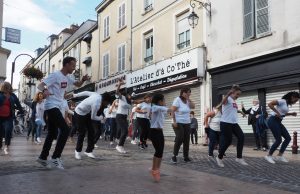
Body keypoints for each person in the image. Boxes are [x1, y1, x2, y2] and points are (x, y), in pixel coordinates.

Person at [36, 56, 89, 169]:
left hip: (58, 106)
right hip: (51, 106)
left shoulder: (68, 77)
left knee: (52, 134)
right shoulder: (55, 75)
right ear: (67, 65)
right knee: (65, 130)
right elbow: (40, 85)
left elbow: (78, 84)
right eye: (73, 66)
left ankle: (42, 158)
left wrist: (83, 80)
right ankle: (55, 158)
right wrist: (45, 90)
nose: (74, 68)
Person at [216, 85, 248, 168]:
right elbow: (223, 102)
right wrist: (228, 94)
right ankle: (219, 157)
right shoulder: (228, 98)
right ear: (232, 93)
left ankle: (239, 157)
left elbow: (232, 109)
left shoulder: (233, 101)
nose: (238, 96)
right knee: (228, 141)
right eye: (237, 94)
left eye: (239, 95)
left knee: (241, 137)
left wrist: (241, 111)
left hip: (233, 123)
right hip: (225, 123)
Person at [73, 91, 111, 160]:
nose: (107, 105)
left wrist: (76, 95)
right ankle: (77, 151)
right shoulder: (96, 104)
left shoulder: (97, 94)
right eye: (107, 103)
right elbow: (93, 117)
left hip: (87, 113)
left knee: (91, 131)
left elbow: (86, 92)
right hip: (79, 113)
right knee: (82, 132)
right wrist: (102, 118)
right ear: (105, 101)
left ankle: (89, 151)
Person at [264, 91, 299, 164]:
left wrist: (291, 114)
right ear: (292, 97)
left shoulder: (286, 104)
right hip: (273, 120)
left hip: (278, 122)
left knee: (288, 138)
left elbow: (282, 114)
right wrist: (277, 112)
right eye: (295, 100)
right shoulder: (282, 101)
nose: (295, 102)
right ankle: (268, 155)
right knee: (278, 140)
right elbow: (270, 104)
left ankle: (279, 155)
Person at [149, 93, 171, 182]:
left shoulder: (160, 109)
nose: (165, 102)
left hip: (160, 132)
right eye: (164, 100)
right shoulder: (154, 107)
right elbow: (163, 108)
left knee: (160, 152)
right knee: (158, 151)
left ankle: (155, 169)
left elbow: (167, 110)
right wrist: (173, 108)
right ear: (159, 101)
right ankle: (155, 170)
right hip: (153, 132)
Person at [171, 88, 195, 164]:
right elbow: (172, 110)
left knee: (186, 140)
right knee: (180, 138)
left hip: (187, 123)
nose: (189, 94)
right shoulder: (177, 100)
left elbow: (193, 106)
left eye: (190, 93)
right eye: (188, 93)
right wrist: (174, 121)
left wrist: (189, 99)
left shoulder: (187, 101)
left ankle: (186, 157)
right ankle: (174, 156)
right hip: (178, 122)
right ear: (183, 93)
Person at [0, 82, 23, 155]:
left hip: (9, 117)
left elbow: (18, 104)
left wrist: (21, 111)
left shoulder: (13, 96)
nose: (7, 88)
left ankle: (6, 146)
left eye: (8, 87)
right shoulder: (0, 94)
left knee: (8, 130)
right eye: (5, 87)